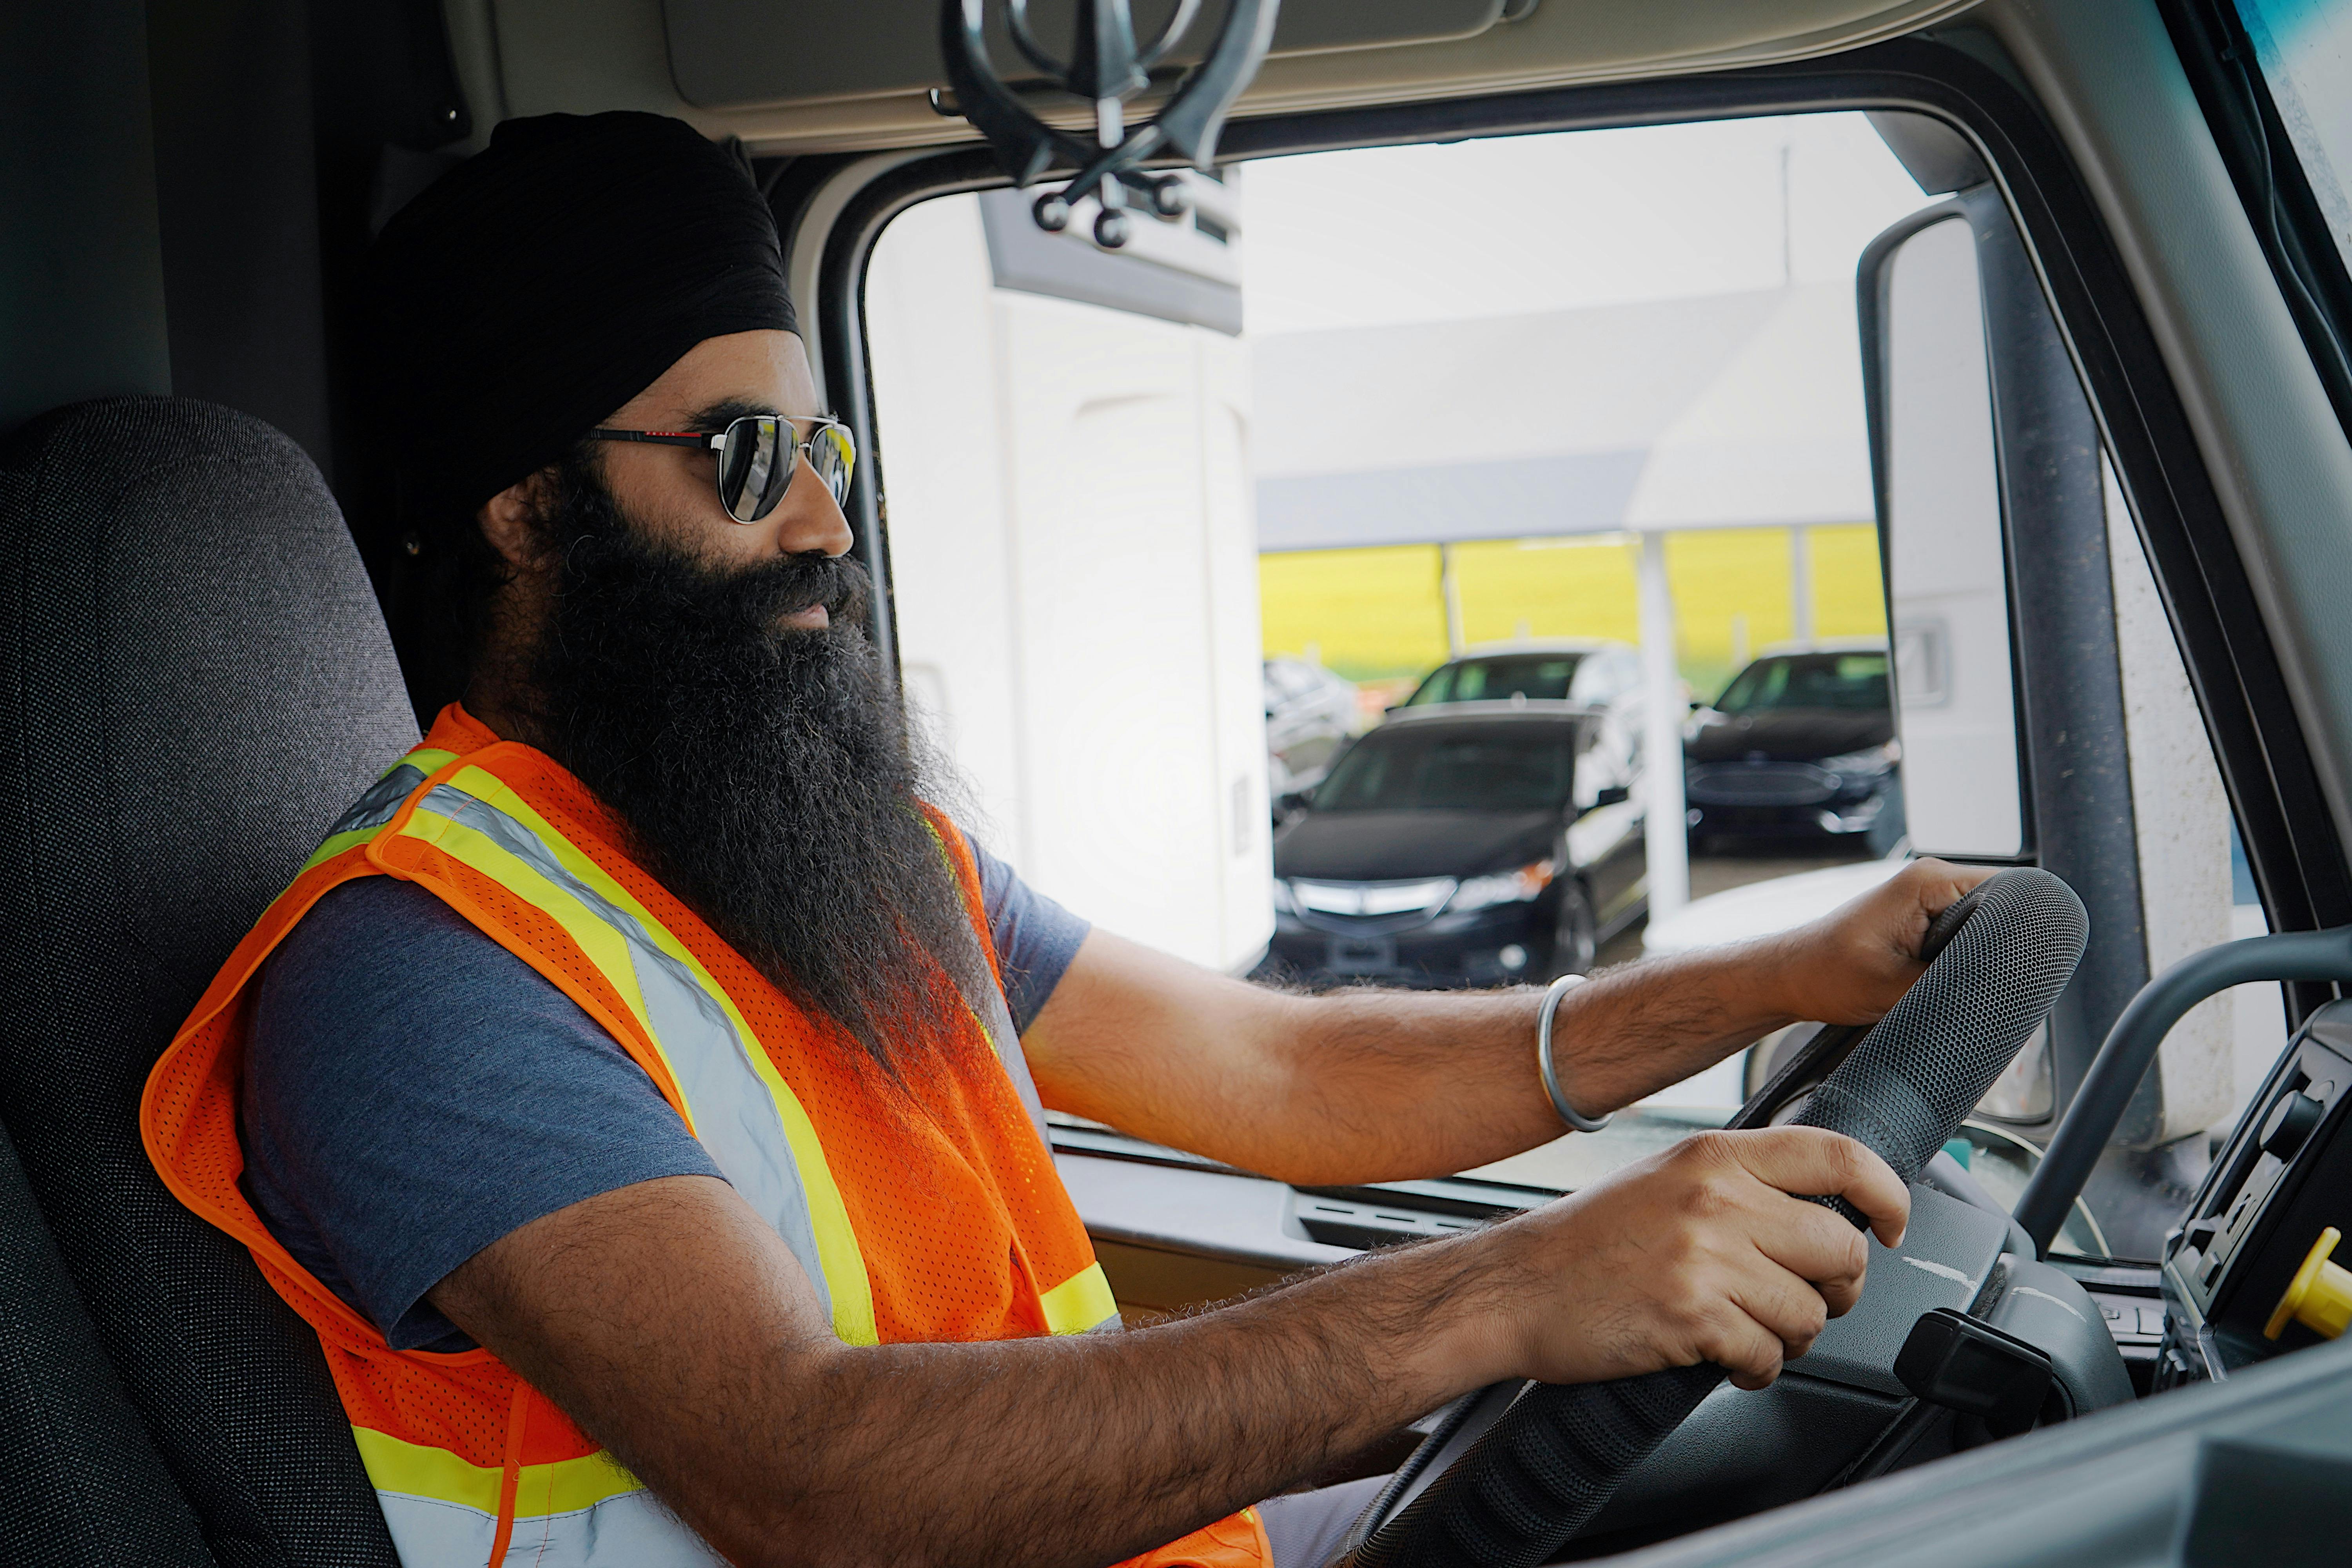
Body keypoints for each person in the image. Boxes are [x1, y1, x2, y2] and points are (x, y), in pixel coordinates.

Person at [144, 112, 1970, 1568]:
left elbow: (1290, 1065)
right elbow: (811, 1477)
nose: (817, 530)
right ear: (532, 510)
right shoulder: (415, 967)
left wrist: (1781, 977)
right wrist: (1502, 1294)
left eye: (828, 457)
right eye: (739, 456)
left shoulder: (830, 857)